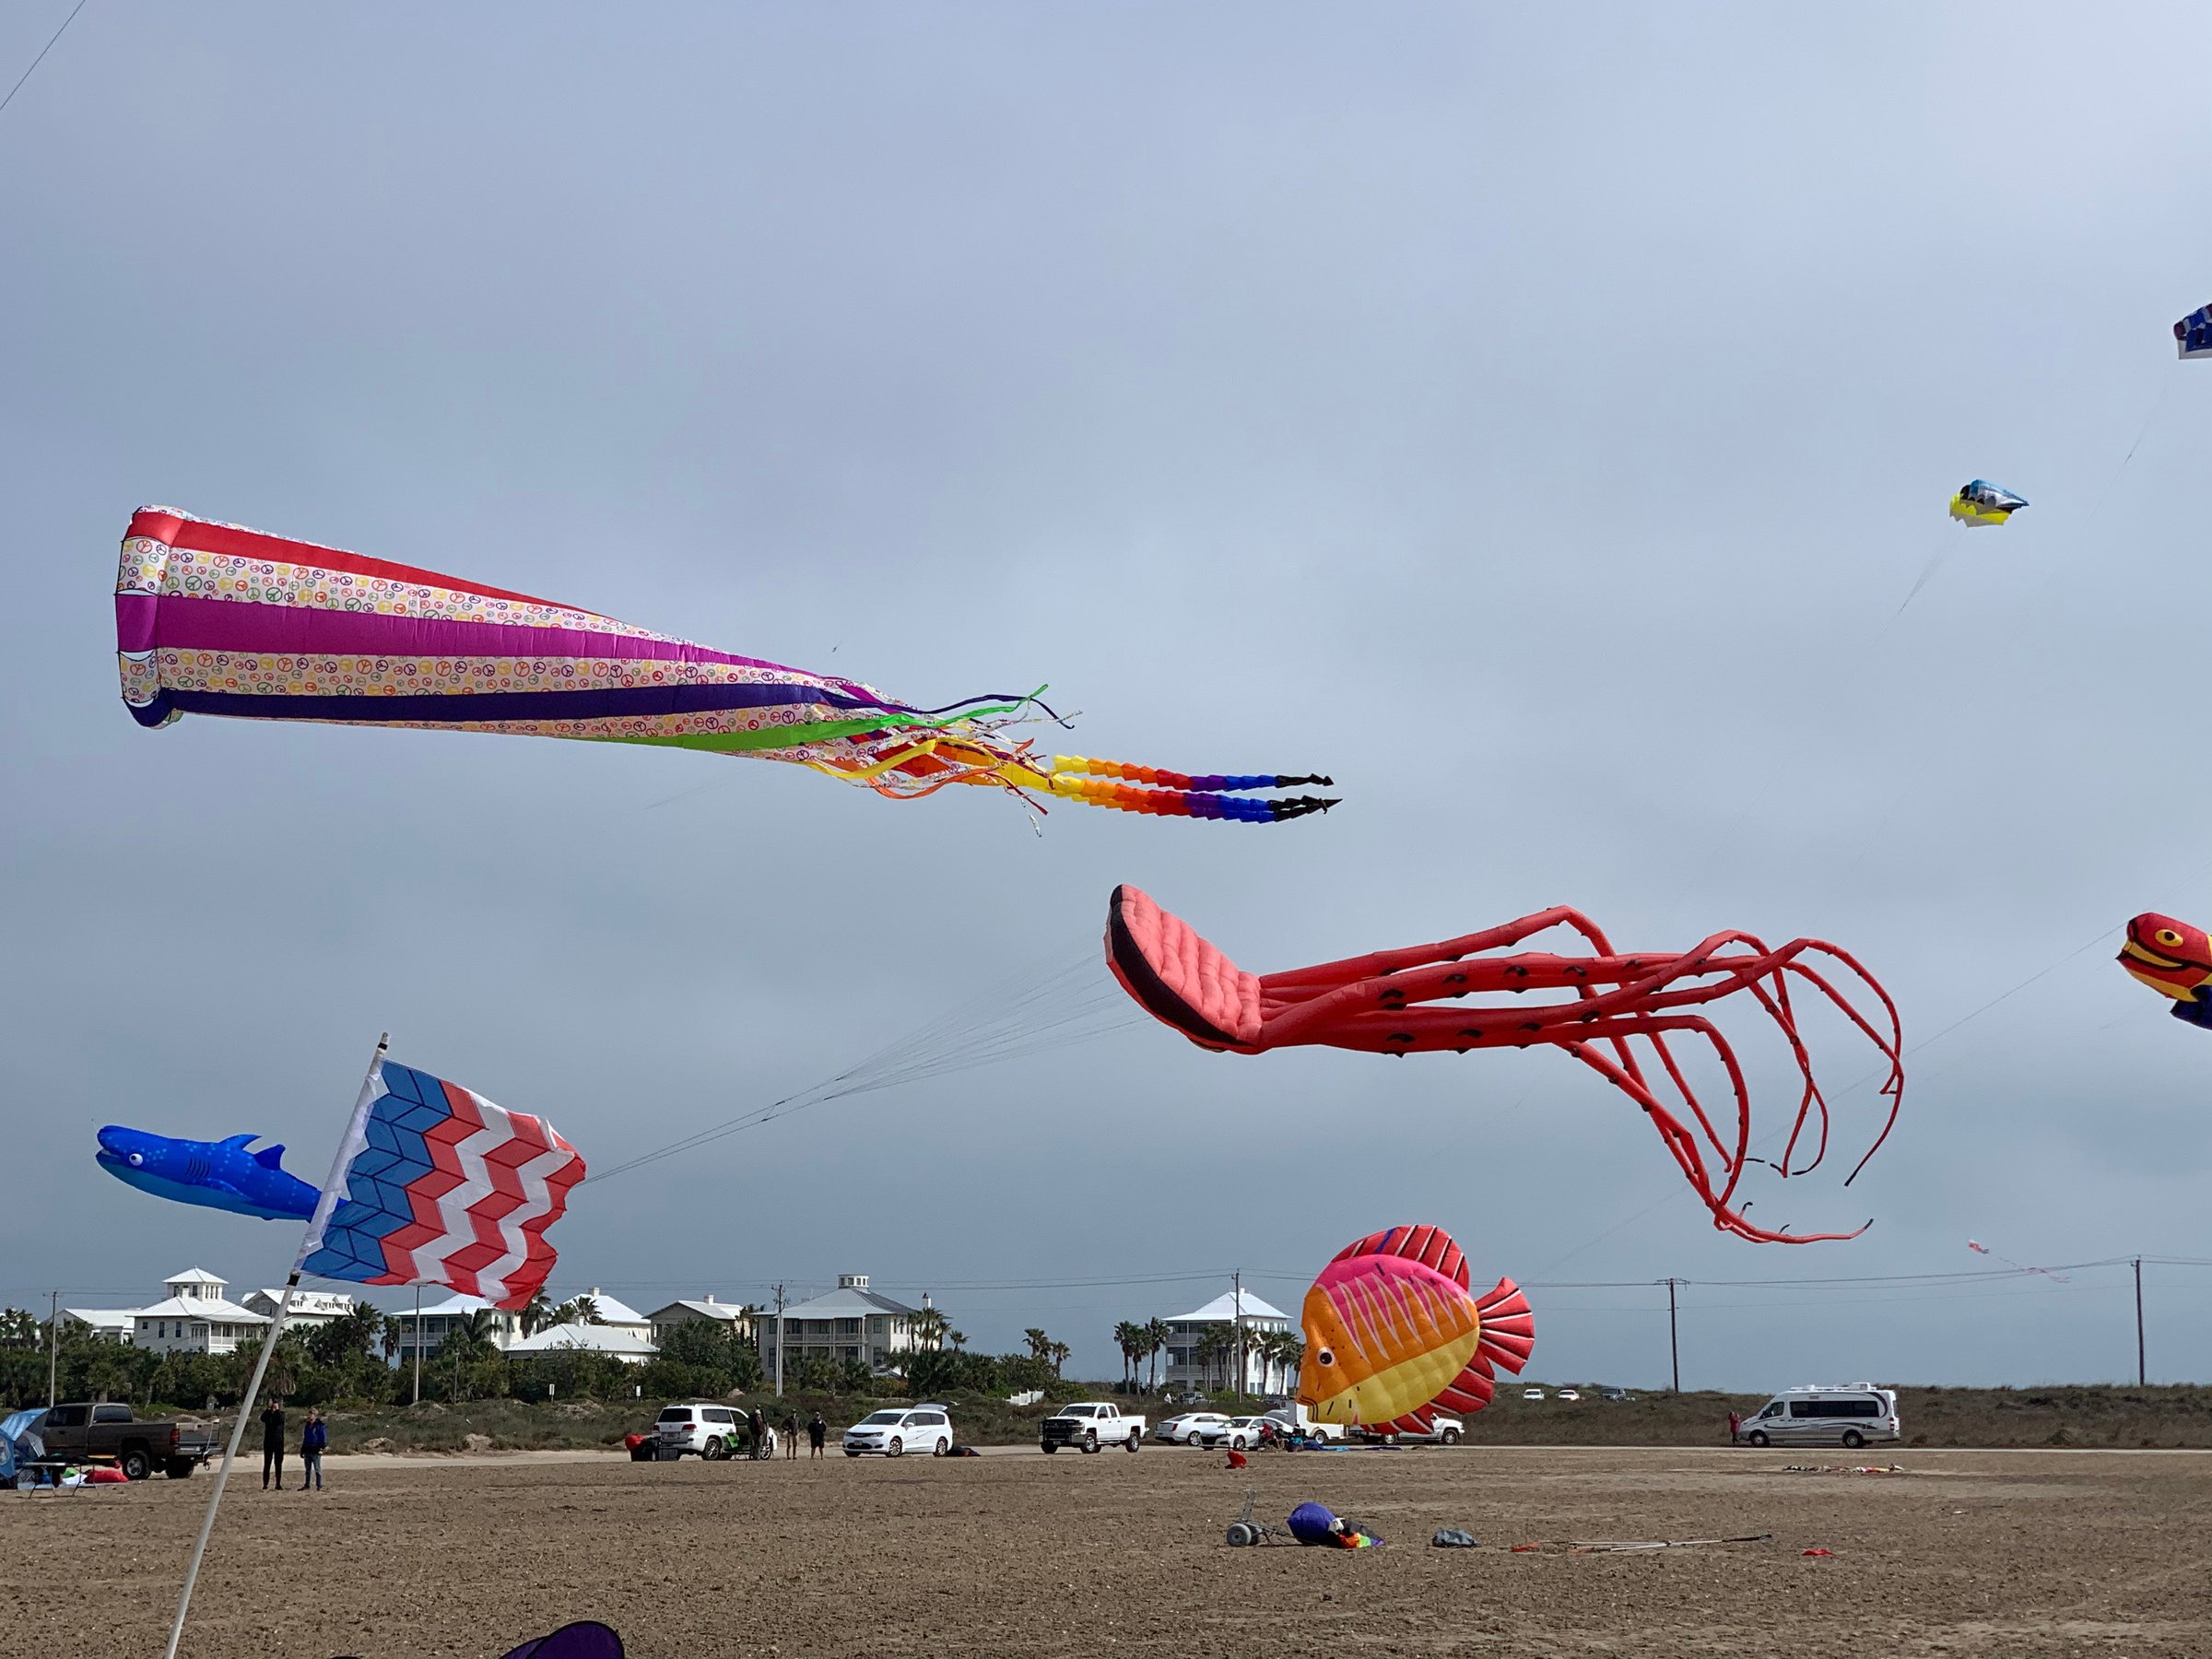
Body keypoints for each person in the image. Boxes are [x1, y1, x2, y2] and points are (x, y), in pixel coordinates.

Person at [260, 1398, 287, 1490]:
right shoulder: (268, 1415)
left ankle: (278, 1484)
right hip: (268, 1442)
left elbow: (280, 1419)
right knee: (267, 1463)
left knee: (278, 1463)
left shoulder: (281, 1414)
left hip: (279, 1442)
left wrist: (277, 1409)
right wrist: (268, 1409)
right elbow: (262, 1418)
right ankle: (265, 1484)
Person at [300, 1408, 326, 1492]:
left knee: (317, 1469)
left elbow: (323, 1437)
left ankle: (319, 1485)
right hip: (308, 1450)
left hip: (316, 1450)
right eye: (309, 1414)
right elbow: (305, 1438)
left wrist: (321, 1448)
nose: (309, 1416)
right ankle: (307, 1485)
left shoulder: (319, 1425)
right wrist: (302, 1449)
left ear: (315, 1415)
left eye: (311, 1414)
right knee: (307, 1470)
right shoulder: (307, 1426)